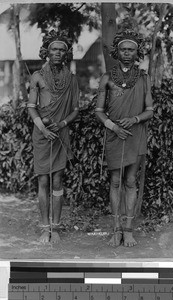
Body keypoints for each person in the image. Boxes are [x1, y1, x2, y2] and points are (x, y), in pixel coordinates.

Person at [95, 24, 153, 247]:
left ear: (137, 52)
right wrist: (112, 126)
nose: (127, 53)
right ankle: (116, 229)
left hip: (135, 134)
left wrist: (135, 119)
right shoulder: (107, 78)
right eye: (123, 50)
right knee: (115, 181)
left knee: (131, 181)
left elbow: (150, 109)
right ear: (117, 52)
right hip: (114, 134)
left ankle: (128, 230)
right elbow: (99, 111)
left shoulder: (143, 78)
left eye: (131, 50)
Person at [27, 30, 79, 243]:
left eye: (62, 50)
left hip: (60, 133)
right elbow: (31, 107)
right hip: (41, 134)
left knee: (57, 179)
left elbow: (75, 109)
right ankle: (44, 227)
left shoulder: (72, 79)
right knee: (43, 180)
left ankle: (55, 228)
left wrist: (62, 123)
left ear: (66, 54)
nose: (58, 53)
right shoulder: (37, 76)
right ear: (46, 52)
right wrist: (43, 127)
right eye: (54, 49)